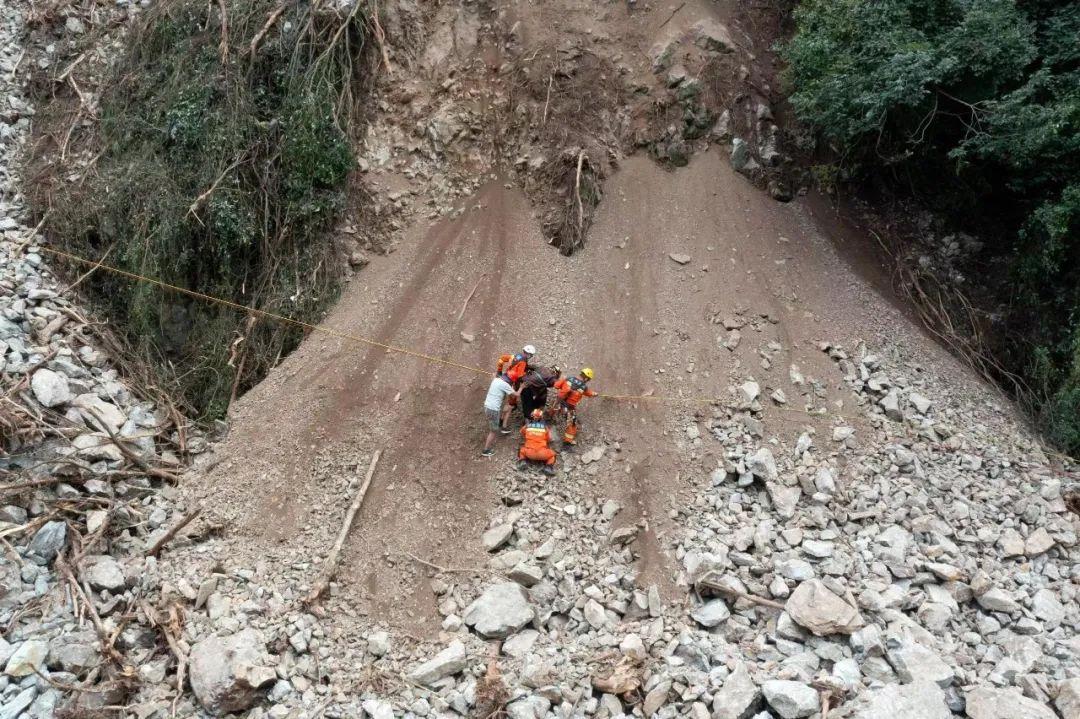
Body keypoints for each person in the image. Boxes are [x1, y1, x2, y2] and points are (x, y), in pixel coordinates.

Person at [553, 367, 597, 445]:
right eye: (589, 379)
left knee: (553, 410)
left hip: (559, 401)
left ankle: (550, 418)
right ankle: (568, 440)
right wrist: (594, 394)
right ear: (586, 378)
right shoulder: (583, 387)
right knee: (572, 423)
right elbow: (589, 393)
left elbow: (556, 386)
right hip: (569, 407)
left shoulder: (569, 378)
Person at [496, 344, 536, 427]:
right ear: (528, 354)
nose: (531, 357)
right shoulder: (523, 361)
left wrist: (499, 371)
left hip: (506, 378)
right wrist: (528, 376)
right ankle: (501, 421)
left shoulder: (515, 356)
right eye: (531, 355)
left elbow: (502, 358)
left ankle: (512, 405)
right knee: (510, 404)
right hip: (512, 383)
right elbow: (520, 376)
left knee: (512, 402)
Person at [482, 373, 519, 456]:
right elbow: (516, 394)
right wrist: (522, 387)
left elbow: (494, 375)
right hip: (493, 409)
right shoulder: (505, 385)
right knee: (493, 431)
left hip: (488, 406)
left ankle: (503, 426)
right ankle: (486, 450)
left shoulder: (496, 380)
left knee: (508, 408)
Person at [518, 408, 557, 476]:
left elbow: (521, 432)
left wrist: (529, 434)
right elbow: (549, 439)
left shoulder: (527, 426)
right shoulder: (545, 428)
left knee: (521, 450)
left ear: (532, 417)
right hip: (542, 454)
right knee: (552, 455)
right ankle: (548, 467)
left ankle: (522, 461)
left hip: (529, 453)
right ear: (541, 418)